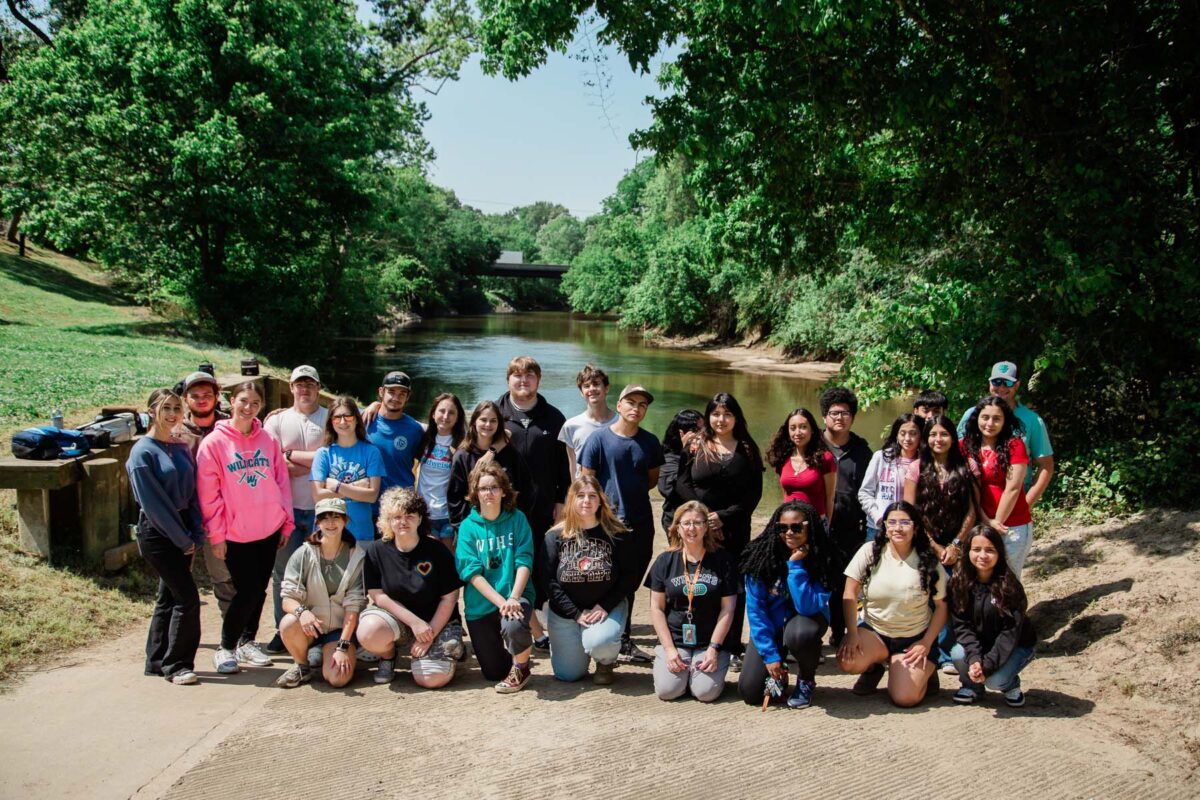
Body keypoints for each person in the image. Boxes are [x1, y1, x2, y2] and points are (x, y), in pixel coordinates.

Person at [196, 380, 294, 674]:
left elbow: (281, 482)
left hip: (269, 528)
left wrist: (285, 521)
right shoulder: (213, 444)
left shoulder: (268, 441)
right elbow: (208, 494)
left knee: (260, 588)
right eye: (243, 401)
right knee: (245, 591)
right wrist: (216, 533)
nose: (248, 408)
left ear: (261, 406)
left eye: (254, 403)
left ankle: (247, 643)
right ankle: (226, 647)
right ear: (231, 401)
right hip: (236, 532)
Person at [673, 392, 763, 668]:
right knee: (699, 580)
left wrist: (723, 517)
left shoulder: (747, 448)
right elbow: (681, 482)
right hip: (697, 529)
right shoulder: (696, 445)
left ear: (736, 418)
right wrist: (700, 514)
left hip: (734, 528)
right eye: (715, 414)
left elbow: (753, 494)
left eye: (727, 414)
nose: (721, 419)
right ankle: (702, 640)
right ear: (708, 417)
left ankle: (733, 645)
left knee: (731, 584)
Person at [578, 384, 665, 663]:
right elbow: (586, 481)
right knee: (604, 577)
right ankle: (605, 636)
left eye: (642, 404)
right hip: (607, 523)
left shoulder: (650, 442)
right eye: (631, 402)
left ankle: (622, 640)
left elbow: (652, 479)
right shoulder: (598, 440)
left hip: (640, 522)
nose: (636, 408)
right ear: (618, 406)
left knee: (631, 580)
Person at [127, 388, 204, 685]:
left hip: (183, 525)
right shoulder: (142, 453)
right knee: (187, 598)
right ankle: (177, 665)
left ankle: (156, 660)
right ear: (151, 411)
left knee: (168, 597)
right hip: (158, 532)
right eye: (166, 408)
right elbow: (154, 505)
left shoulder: (181, 446)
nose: (172, 414)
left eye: (176, 408)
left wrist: (195, 531)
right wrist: (183, 540)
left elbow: (193, 491)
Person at [837, 501, 947, 707]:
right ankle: (874, 668)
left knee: (905, 698)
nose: (898, 528)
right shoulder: (870, 551)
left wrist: (926, 643)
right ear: (885, 527)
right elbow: (849, 593)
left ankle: (926, 672)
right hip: (876, 631)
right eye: (892, 522)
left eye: (905, 522)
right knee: (847, 661)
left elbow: (942, 607)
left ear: (915, 527)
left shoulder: (928, 560)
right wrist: (852, 633)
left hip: (913, 638)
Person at [496, 356, 571, 650]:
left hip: (542, 507)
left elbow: (564, 467)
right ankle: (509, 618)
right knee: (505, 561)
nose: (523, 381)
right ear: (508, 380)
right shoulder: (495, 413)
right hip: (503, 507)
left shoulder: (553, 417)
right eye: (517, 375)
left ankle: (535, 615)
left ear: (538, 380)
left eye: (529, 376)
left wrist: (561, 500)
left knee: (540, 561)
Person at [358, 488, 465, 688]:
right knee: (368, 630)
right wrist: (414, 623)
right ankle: (388, 658)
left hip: (437, 621)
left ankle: (444, 649)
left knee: (430, 679)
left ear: (420, 519)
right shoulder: (376, 550)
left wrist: (429, 634)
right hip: (401, 621)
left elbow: (450, 598)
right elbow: (378, 596)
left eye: (409, 516)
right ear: (387, 520)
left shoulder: (437, 550)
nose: (403, 521)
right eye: (396, 517)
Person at [737, 500, 838, 709]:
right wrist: (770, 655)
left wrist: (795, 566)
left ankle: (806, 680)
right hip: (771, 627)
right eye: (782, 528)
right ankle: (780, 674)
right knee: (750, 692)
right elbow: (756, 612)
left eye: (796, 527)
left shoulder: (823, 558)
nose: (789, 533)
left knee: (800, 634)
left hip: (804, 622)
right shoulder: (760, 559)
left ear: (810, 526)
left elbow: (807, 607)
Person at [541, 475, 638, 684]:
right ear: (571, 500)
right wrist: (575, 613)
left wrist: (605, 605)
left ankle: (605, 660)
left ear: (601, 500)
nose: (586, 501)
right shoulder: (555, 537)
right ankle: (572, 643)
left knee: (599, 642)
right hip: (567, 613)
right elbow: (549, 582)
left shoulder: (617, 533)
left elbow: (630, 575)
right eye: (581, 496)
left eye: (592, 496)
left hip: (604, 609)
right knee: (568, 675)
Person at [263, 365, 329, 654]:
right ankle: (284, 629)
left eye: (310, 385)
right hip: (285, 512)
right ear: (291, 388)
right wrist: (315, 466)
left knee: (321, 575)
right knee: (284, 575)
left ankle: (321, 631)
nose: (305, 389)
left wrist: (291, 460)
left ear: (318, 387)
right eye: (299, 384)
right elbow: (270, 462)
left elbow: (333, 457)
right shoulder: (277, 421)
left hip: (321, 511)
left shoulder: (329, 419)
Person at [903, 415, 978, 671]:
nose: (938, 439)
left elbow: (972, 509)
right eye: (933, 435)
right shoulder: (916, 468)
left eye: (943, 434)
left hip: (958, 543)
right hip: (926, 542)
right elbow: (910, 511)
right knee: (927, 595)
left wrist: (957, 544)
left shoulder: (966, 466)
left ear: (952, 437)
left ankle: (950, 650)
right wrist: (934, 546)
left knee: (955, 595)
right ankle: (929, 648)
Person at [455, 462, 537, 693]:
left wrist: (513, 598)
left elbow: (524, 561)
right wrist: (502, 603)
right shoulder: (468, 527)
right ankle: (512, 656)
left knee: (513, 625)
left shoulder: (517, 519)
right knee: (493, 673)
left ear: (503, 491)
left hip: (515, 594)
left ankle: (521, 667)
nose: (488, 493)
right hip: (482, 604)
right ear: (475, 493)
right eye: (483, 488)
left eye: (493, 487)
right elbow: (471, 573)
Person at [646, 501, 738, 702]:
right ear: (677, 527)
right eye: (686, 523)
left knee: (705, 693)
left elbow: (728, 609)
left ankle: (701, 671)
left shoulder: (724, 560)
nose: (692, 528)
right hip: (676, 640)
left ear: (706, 527)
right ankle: (676, 667)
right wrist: (669, 650)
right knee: (667, 691)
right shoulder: (664, 561)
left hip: (709, 642)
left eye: (697, 523)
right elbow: (657, 608)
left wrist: (714, 649)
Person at [276, 497, 366, 688]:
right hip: (311, 625)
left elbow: (354, 605)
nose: (331, 523)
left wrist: (342, 646)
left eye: (336, 517)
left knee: (337, 679)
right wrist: (303, 613)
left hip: (339, 630)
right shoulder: (303, 554)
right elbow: (287, 599)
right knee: (288, 623)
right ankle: (302, 665)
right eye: (325, 518)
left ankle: (334, 651)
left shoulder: (357, 556)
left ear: (346, 521)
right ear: (317, 522)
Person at [949, 525, 1037, 707]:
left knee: (994, 681)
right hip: (982, 644)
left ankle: (1010, 684)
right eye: (976, 549)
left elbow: (1009, 634)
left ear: (999, 553)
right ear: (967, 552)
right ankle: (972, 686)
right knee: (958, 654)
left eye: (990, 550)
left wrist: (987, 666)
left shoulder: (1009, 586)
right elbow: (962, 626)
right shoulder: (959, 582)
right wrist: (975, 660)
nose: (982, 556)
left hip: (1015, 646)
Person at [176, 370, 234, 618]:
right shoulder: (175, 431)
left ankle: (233, 633)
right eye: (195, 395)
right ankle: (179, 633)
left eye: (207, 395)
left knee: (224, 577)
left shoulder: (230, 427)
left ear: (216, 396)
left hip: (220, 514)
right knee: (178, 578)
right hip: (185, 515)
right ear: (186, 399)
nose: (201, 400)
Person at [957, 361, 1054, 507]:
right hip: (974, 505)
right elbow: (956, 455)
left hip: (1015, 506)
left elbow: (1046, 466)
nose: (1001, 387)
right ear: (990, 383)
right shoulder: (972, 415)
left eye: (1007, 382)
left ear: (1016, 385)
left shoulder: (1032, 420)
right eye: (996, 381)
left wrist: (1026, 505)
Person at [820, 387, 873, 647]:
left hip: (851, 526)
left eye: (846, 413)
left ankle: (839, 632)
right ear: (824, 417)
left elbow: (868, 489)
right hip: (817, 524)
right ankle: (811, 635)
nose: (839, 418)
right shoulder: (814, 445)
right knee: (818, 580)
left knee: (845, 582)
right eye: (834, 413)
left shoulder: (862, 451)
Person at [960, 396, 1033, 576]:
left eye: (996, 418)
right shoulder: (965, 446)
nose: (990, 423)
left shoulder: (1014, 445)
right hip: (978, 524)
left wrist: (995, 525)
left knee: (1007, 577)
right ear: (976, 418)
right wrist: (985, 522)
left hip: (1010, 526)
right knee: (978, 579)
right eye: (985, 417)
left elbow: (1013, 488)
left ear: (1005, 421)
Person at [447, 400, 534, 528]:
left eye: (493, 420)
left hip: (508, 525)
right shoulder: (463, 456)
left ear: (499, 424)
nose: (488, 424)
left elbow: (526, 488)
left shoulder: (509, 452)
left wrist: (518, 521)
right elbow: (455, 497)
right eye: (483, 420)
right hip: (476, 527)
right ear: (474, 421)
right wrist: (460, 527)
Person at [311, 396, 384, 542]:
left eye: (348, 417)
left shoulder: (371, 452)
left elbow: (371, 496)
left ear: (357, 419)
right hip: (328, 533)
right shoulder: (323, 454)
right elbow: (318, 496)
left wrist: (336, 486)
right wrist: (357, 488)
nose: (343, 422)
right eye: (337, 417)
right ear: (331, 422)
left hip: (361, 533)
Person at [765, 407, 836, 529]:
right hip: (788, 526)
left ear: (812, 429)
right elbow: (786, 494)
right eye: (793, 428)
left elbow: (830, 498)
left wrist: (826, 527)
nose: (797, 432)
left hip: (815, 524)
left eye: (803, 427)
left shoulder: (825, 459)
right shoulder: (782, 458)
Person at [858, 413, 923, 539]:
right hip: (878, 529)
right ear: (896, 435)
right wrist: (879, 518)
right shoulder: (882, 457)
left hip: (910, 531)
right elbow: (865, 493)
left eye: (913, 433)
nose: (907, 438)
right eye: (902, 433)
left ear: (921, 436)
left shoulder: (925, 463)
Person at [415, 393, 466, 547]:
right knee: (428, 563)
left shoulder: (463, 442)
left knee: (449, 563)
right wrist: (375, 405)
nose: (445, 416)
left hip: (450, 516)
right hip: (424, 514)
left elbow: (505, 434)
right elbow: (400, 417)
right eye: (441, 411)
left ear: (458, 417)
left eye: (451, 413)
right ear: (433, 413)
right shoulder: (423, 435)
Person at [364, 371, 424, 493]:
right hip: (367, 502)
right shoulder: (364, 420)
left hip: (400, 504)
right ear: (381, 392)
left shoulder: (414, 430)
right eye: (391, 392)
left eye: (402, 394)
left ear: (408, 396)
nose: (396, 398)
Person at [558, 363, 618, 479]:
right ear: (581, 392)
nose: (591, 389)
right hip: (585, 493)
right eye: (586, 386)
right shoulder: (571, 426)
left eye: (596, 384)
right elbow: (573, 467)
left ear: (606, 388)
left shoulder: (620, 422)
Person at [656, 408, 703, 532]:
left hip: (703, 519)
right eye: (697, 430)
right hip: (677, 521)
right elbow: (669, 488)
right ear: (682, 433)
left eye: (705, 429)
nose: (703, 434)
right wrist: (686, 453)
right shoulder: (668, 457)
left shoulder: (707, 454)